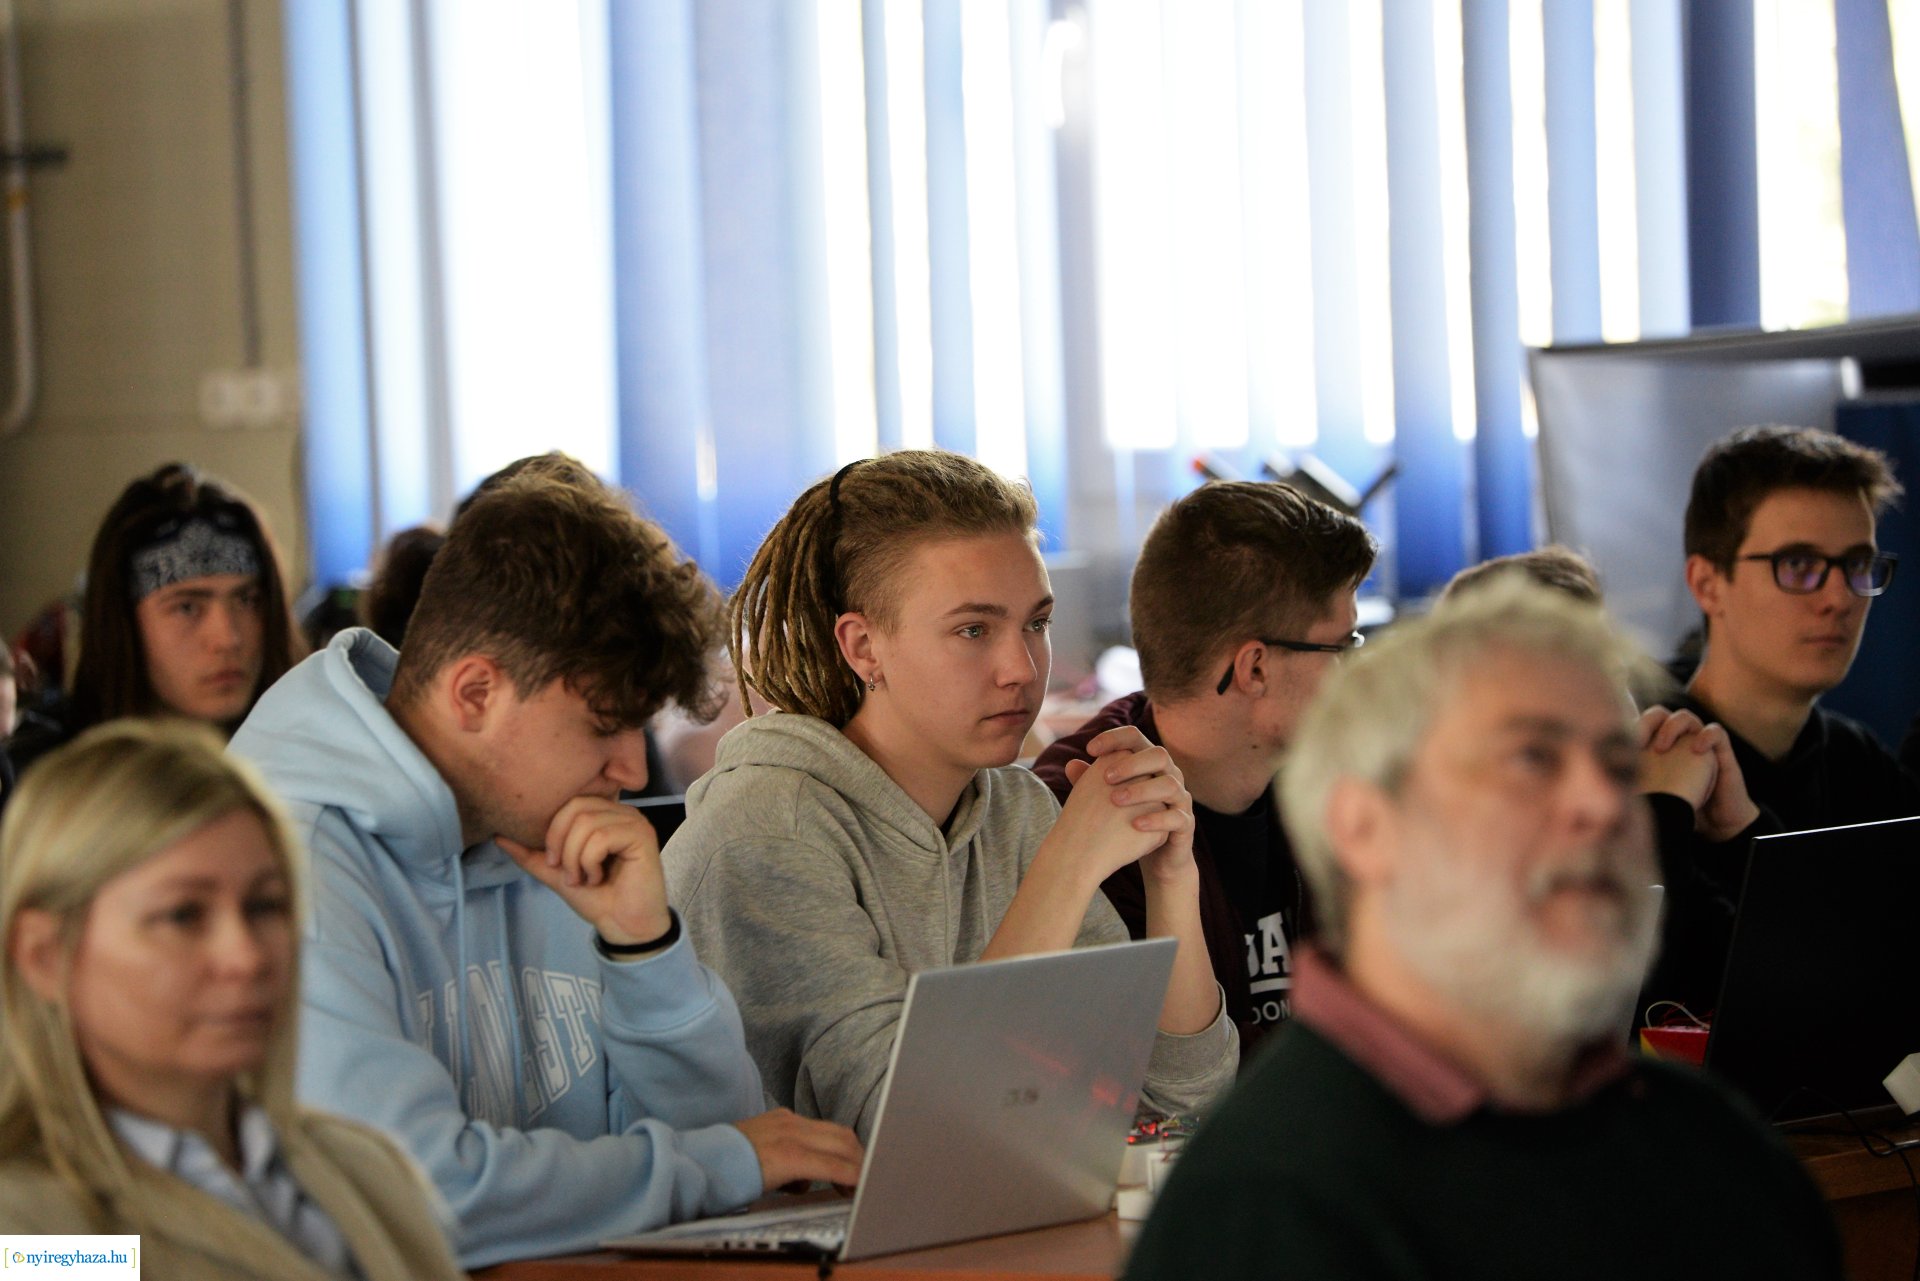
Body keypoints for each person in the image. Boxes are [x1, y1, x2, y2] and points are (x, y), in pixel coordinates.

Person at [230, 461, 862, 1268]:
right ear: (475, 694)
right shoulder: (282, 862)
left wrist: (644, 948)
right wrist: (714, 1163)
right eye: (605, 724)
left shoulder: (552, 832)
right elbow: (410, 1195)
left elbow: (735, 1162)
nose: (634, 771)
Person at [1124, 582, 1844, 1281]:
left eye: (1620, 764)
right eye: (1533, 758)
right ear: (1367, 827)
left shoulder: (1718, 1147)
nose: (1603, 803)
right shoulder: (1261, 1208)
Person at [663, 451, 1238, 1141]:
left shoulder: (1013, 809)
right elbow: (916, 1126)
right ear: (863, 647)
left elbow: (1177, 1099)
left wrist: (1173, 874)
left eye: (1036, 623)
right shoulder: (764, 830)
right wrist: (1069, 864)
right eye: (973, 629)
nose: (1021, 669)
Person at [0, 720, 465, 1280]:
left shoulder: (367, 1168)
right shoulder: (30, 1237)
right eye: (183, 915)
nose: (245, 957)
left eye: (265, 906)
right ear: (46, 957)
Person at [1032, 481, 1375, 1053]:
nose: (1356, 675)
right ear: (1255, 669)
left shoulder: (1335, 784)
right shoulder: (1079, 813)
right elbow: (1144, 1084)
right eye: (1345, 647)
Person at [1669, 424, 1919, 829]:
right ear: (1707, 585)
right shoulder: (1644, 762)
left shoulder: (1859, 766)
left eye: (1856, 564)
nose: (1839, 600)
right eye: (1798, 564)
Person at [8, 463, 302, 774]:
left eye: (247, 600)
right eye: (187, 607)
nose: (227, 638)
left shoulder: (309, 761)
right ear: (125, 625)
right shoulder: (50, 776)